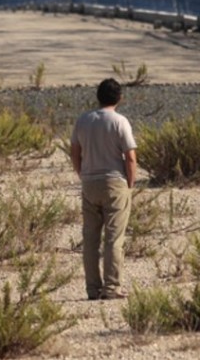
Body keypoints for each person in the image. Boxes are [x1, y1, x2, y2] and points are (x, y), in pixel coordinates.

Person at [70, 78, 137, 301]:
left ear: (98, 96)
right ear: (119, 98)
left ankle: (92, 288)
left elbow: (75, 150)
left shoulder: (83, 120)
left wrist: (81, 173)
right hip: (114, 181)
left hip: (89, 182)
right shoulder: (120, 121)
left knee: (90, 238)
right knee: (114, 237)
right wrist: (131, 182)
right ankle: (112, 287)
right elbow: (130, 156)